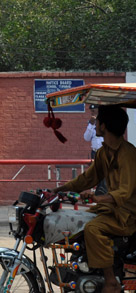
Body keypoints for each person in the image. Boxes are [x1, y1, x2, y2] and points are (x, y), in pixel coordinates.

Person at [53, 105, 136, 293]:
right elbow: (87, 179)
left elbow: (125, 192)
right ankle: (84, 267)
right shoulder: (104, 152)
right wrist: (57, 190)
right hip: (113, 210)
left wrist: (97, 198)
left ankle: (110, 281)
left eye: (97, 121)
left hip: (128, 215)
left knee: (93, 228)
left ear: (103, 126)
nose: (95, 123)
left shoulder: (127, 154)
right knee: (79, 221)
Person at [84, 104, 107, 195]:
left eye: (94, 111)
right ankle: (101, 192)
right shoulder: (90, 123)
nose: (92, 113)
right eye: (91, 111)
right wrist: (91, 125)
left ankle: (101, 193)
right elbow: (86, 138)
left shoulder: (105, 122)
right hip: (94, 152)